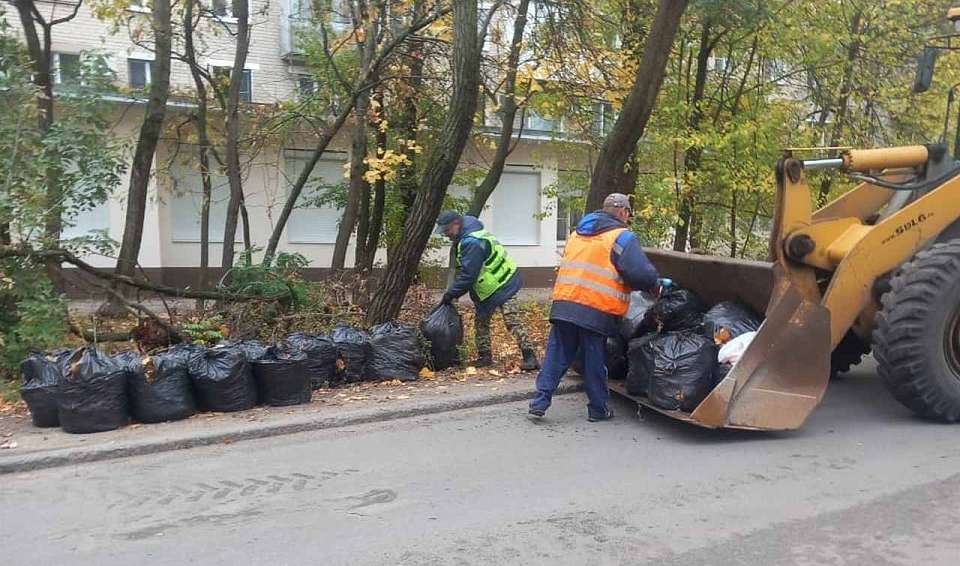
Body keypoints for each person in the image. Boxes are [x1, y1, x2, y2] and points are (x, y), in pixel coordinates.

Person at [528, 193, 666, 422]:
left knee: (556, 355)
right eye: (628, 213)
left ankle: (540, 401)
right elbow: (639, 273)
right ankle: (598, 409)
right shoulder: (621, 238)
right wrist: (655, 285)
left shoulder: (576, 234)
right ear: (622, 211)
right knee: (594, 361)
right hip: (595, 308)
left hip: (564, 304)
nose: (628, 218)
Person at [435, 211, 540, 371]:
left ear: (456, 224)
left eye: (447, 230)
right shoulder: (468, 233)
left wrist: (450, 295)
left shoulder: (472, 242)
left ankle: (530, 357)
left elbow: (468, 276)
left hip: (504, 283)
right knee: (481, 322)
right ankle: (485, 357)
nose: (446, 235)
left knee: (512, 320)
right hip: (488, 287)